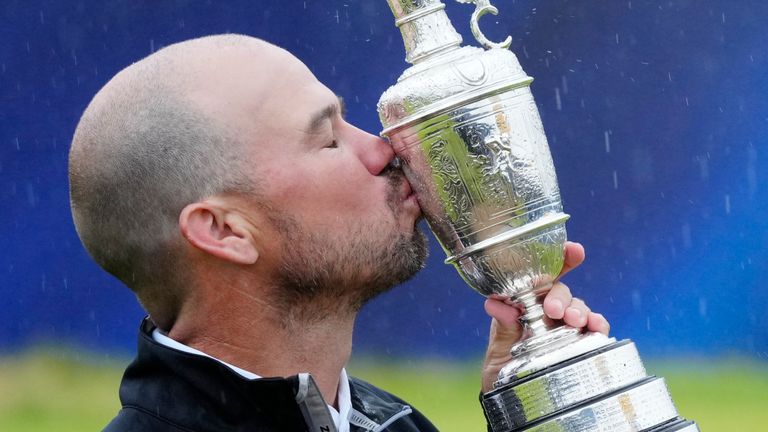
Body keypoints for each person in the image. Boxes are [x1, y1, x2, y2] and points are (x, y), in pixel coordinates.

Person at [68, 34, 609, 432]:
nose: (382, 148)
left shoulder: (396, 425)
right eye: (327, 139)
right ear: (224, 230)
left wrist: (524, 405)